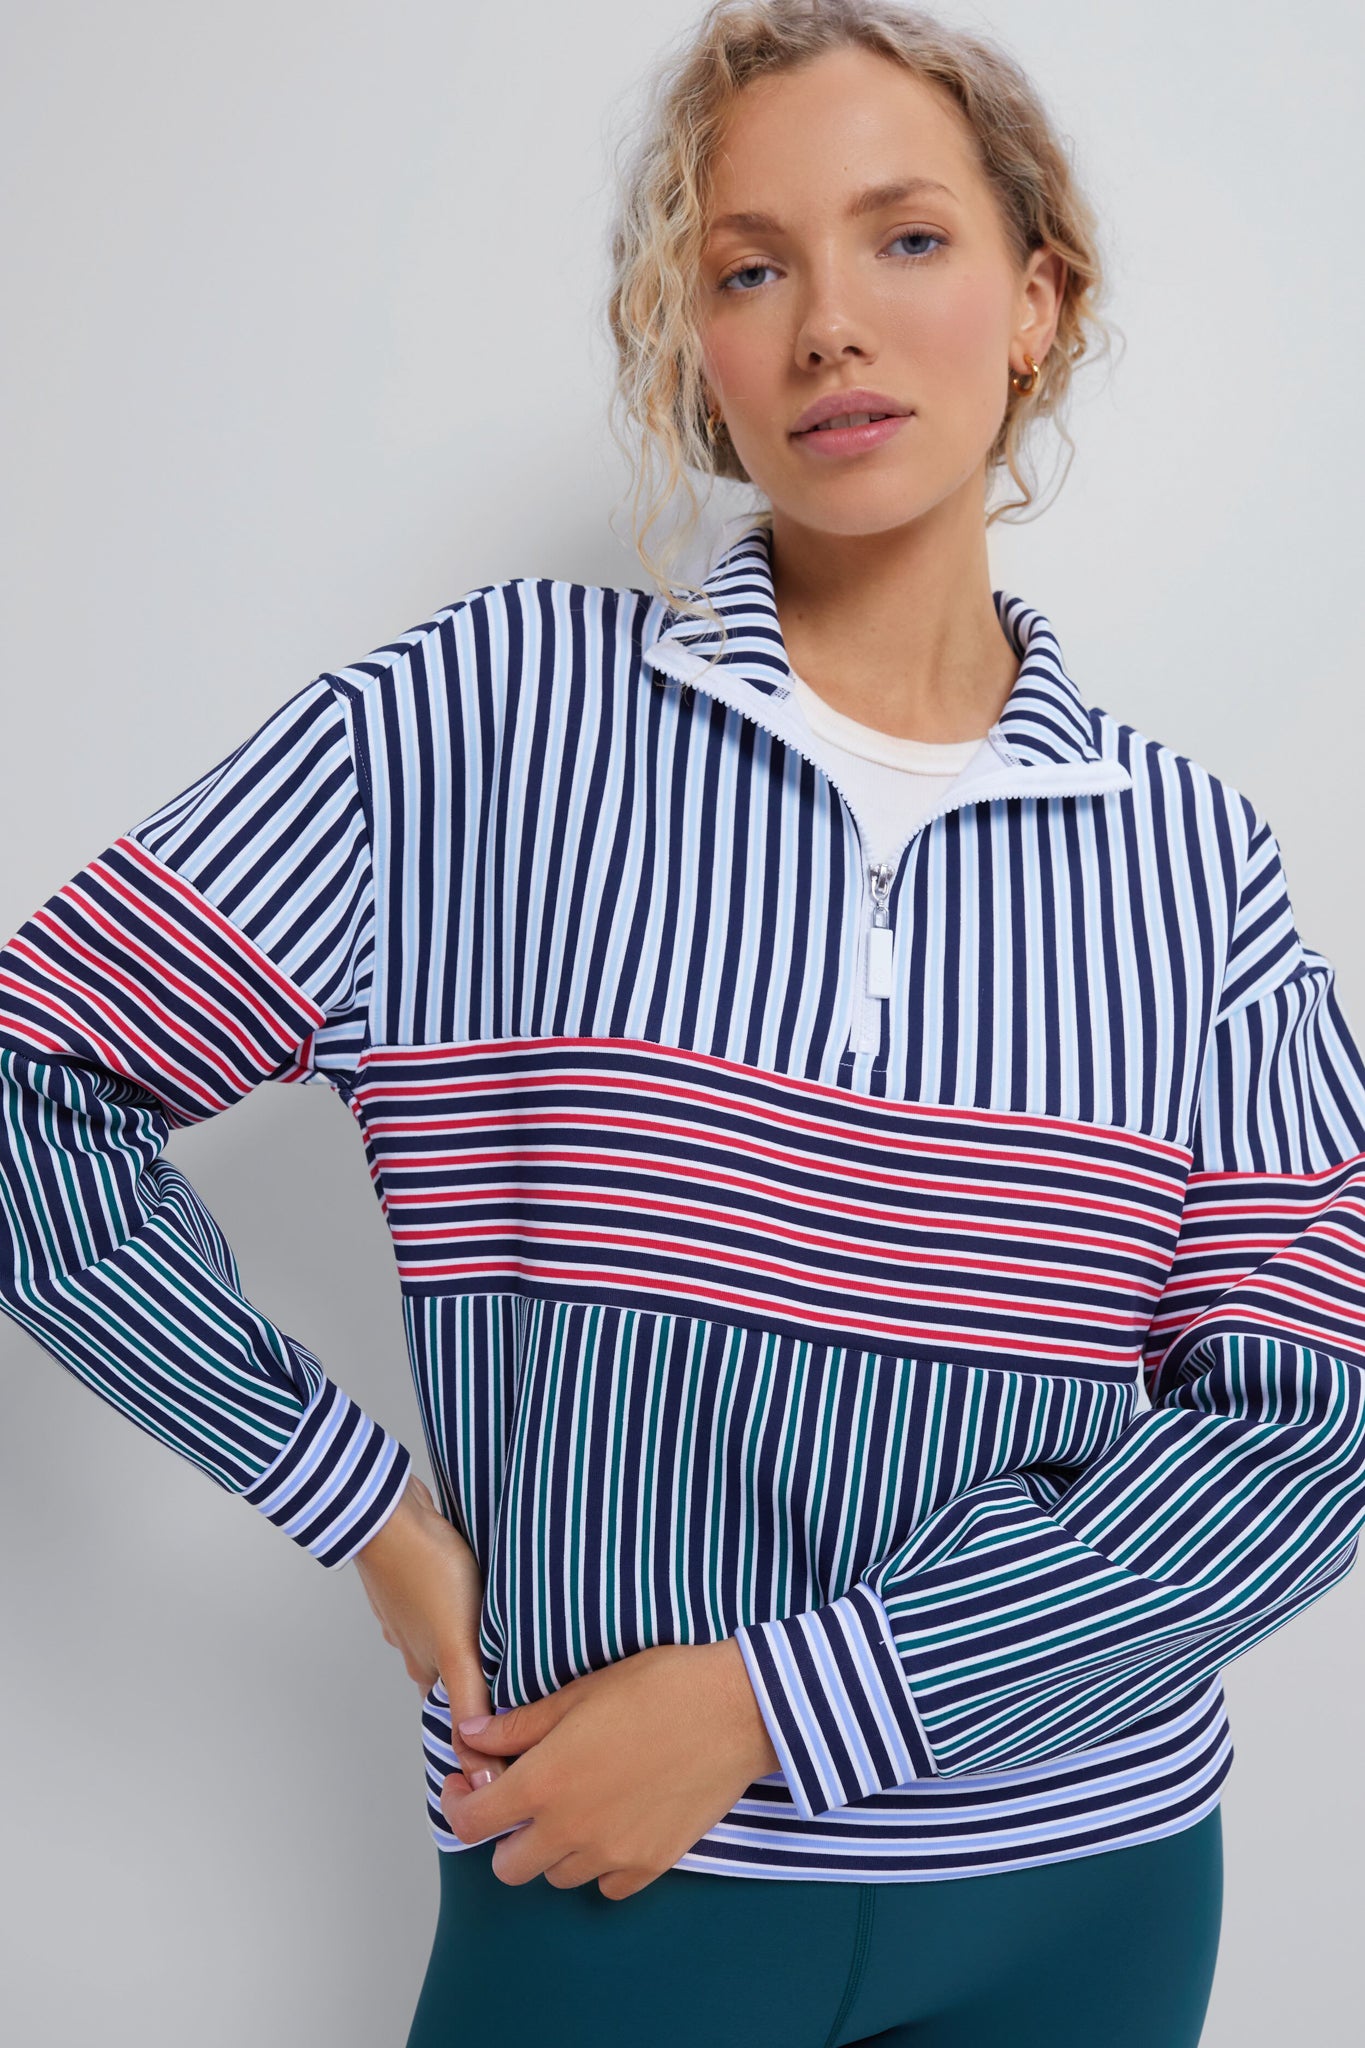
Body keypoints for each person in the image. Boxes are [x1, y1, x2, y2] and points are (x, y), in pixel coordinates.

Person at [2, 2, 1363, 2043]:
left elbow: (1307, 1421)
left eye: (907, 237)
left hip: (1083, 1893)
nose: (828, 323)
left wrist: (771, 1704)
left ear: (1034, 301)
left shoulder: (1188, 859)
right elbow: (34, 1084)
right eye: (747, 268)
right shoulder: (483, 725)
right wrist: (350, 1500)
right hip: (606, 1878)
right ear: (694, 346)